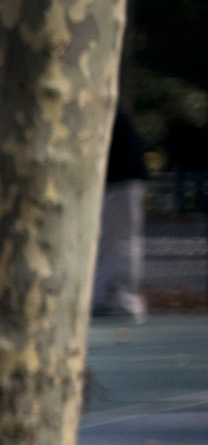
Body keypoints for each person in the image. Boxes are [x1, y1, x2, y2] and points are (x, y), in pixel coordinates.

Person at [94, 107, 150, 323]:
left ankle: (120, 299)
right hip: (120, 179)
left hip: (121, 181)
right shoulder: (105, 109)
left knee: (118, 240)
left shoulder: (101, 110)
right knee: (113, 240)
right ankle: (111, 297)